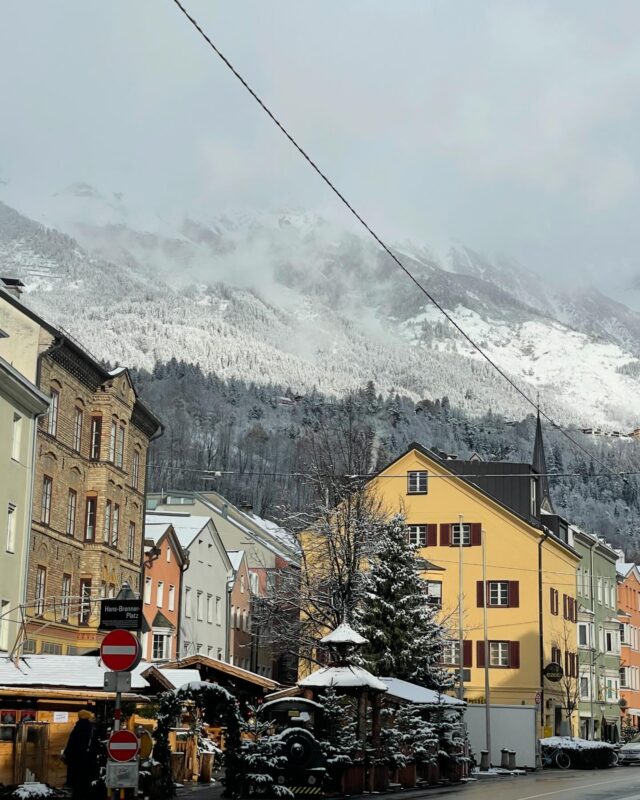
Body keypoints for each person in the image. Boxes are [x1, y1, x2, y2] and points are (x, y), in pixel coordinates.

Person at [63, 709, 96, 798]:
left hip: (75, 763)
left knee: (76, 788)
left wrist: (67, 756)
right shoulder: (91, 729)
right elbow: (94, 747)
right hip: (87, 762)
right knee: (85, 786)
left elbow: (71, 744)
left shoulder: (77, 728)